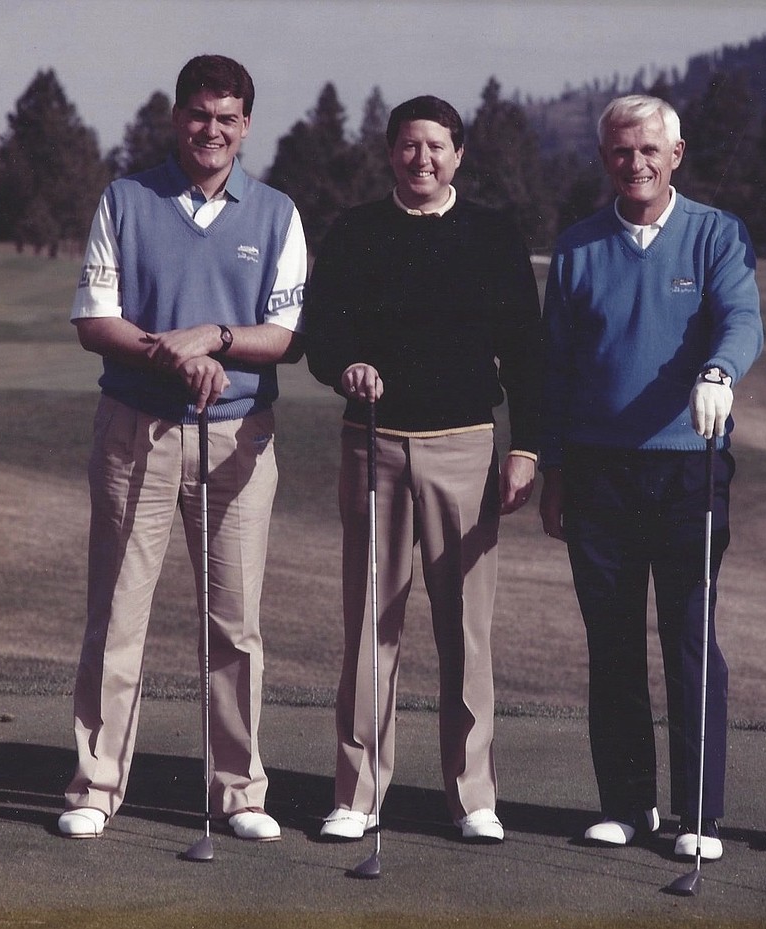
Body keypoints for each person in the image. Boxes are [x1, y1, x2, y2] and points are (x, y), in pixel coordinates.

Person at [58, 55, 307, 843]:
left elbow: (285, 334)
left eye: (228, 118)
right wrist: (176, 354)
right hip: (138, 431)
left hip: (238, 439)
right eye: (200, 115)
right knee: (119, 614)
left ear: (246, 125)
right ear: (176, 117)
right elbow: (96, 319)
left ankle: (240, 790)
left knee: (234, 624)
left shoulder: (274, 212)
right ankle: (96, 785)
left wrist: (218, 339)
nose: (212, 130)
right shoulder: (126, 199)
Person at [302, 95, 542, 845]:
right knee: (371, 624)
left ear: (458, 155)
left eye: (435, 146)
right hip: (372, 442)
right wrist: (348, 365)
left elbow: (527, 351)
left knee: (465, 631)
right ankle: (359, 790)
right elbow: (323, 332)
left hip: (466, 443)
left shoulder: (492, 234)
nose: (421, 159)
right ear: (390, 153)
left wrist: (526, 447)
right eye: (408, 146)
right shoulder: (356, 231)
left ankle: (473, 795)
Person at [539, 94, 763, 862]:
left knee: (690, 638)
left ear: (676, 155)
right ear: (605, 158)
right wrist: (555, 468)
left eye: (648, 150)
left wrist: (719, 370)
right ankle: (628, 803)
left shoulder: (715, 235)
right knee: (611, 640)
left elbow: (742, 319)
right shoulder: (577, 247)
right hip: (599, 471)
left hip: (687, 466)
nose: (634, 163)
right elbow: (556, 370)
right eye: (619, 151)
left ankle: (700, 813)